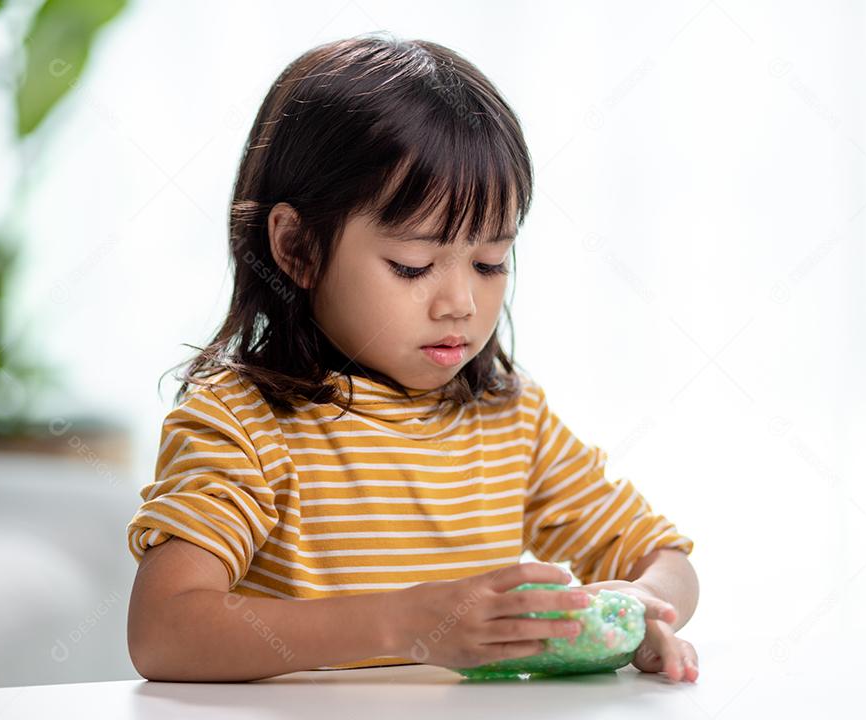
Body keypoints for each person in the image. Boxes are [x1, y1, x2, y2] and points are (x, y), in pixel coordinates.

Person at [126, 33, 699, 683]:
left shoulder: (512, 420)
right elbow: (163, 632)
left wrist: (634, 610)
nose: (459, 301)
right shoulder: (242, 426)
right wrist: (408, 625)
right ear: (297, 248)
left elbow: (666, 559)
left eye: (490, 262)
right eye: (414, 265)